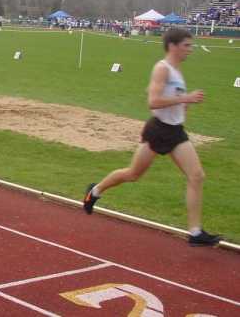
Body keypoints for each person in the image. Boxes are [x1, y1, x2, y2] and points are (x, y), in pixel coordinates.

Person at [83, 28, 221, 247]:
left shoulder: (177, 71)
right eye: (187, 45)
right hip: (158, 130)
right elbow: (153, 102)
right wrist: (185, 98)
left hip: (176, 131)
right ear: (173, 46)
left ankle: (195, 233)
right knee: (133, 174)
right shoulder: (162, 68)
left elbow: (172, 99)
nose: (190, 50)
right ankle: (95, 191)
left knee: (197, 176)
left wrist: (184, 105)